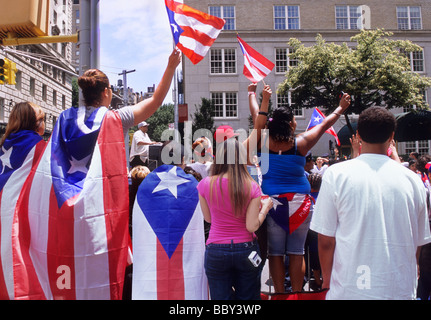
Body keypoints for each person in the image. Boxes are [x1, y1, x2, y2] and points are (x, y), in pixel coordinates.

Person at [310, 106, 431, 300]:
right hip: (398, 288)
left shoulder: (336, 175)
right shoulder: (413, 180)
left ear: (358, 135)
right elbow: (418, 242)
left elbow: (325, 240)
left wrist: (327, 279)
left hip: (349, 289)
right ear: (392, 136)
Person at [258, 93, 351, 293]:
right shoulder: (300, 142)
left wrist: (252, 95)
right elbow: (325, 124)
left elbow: (258, 117)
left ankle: (281, 295)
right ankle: (297, 295)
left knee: (275, 253)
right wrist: (340, 108)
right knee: (296, 252)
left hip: (272, 204)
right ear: (291, 124)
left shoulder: (262, 142)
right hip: (300, 203)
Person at [197, 138, 273, 300]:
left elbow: (208, 219)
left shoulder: (204, 184)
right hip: (246, 249)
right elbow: (252, 226)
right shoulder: (251, 186)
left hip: (216, 249)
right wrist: (265, 208)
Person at [0, 102, 46, 300]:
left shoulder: (3, 145)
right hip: (22, 216)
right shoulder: (39, 147)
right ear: (36, 124)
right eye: (43, 119)